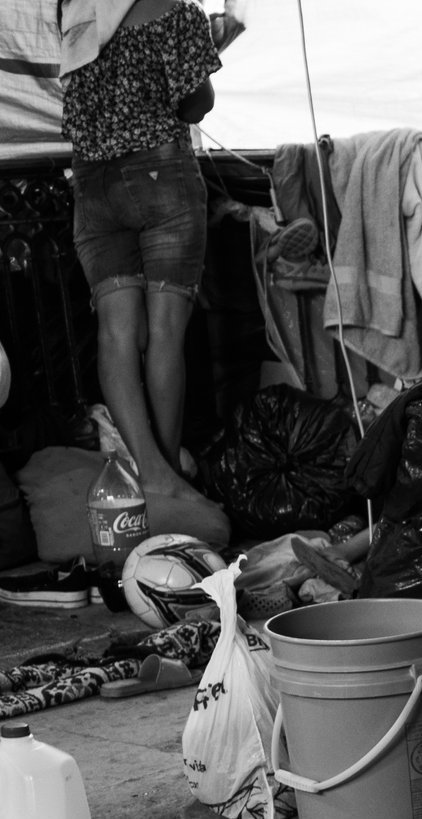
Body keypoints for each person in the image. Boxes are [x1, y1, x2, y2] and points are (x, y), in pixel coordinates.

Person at [63, 0, 234, 525]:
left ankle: (149, 472)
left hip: (93, 185)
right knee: (165, 333)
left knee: (116, 334)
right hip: (161, 176)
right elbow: (195, 103)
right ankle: (168, 480)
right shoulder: (172, 9)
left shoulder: (73, 13)